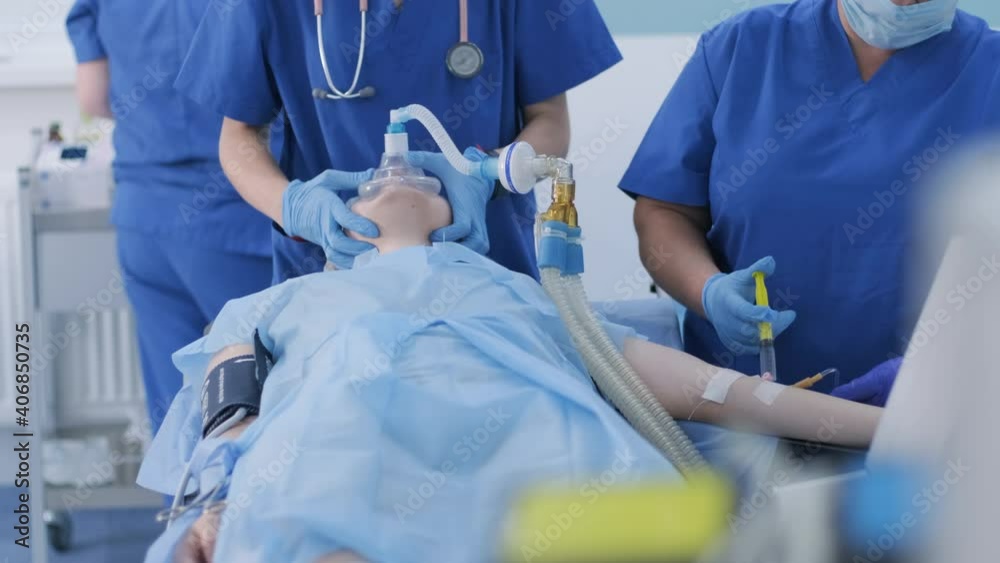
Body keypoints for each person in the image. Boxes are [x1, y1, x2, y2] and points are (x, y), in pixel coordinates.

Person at [138, 163, 883, 562]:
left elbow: (701, 390)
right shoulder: (275, 302)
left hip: (543, 449)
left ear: (462, 216)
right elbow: (230, 425)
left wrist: (885, 424)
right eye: (372, 177)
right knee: (320, 515)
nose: (394, 171)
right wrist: (211, 509)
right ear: (338, 227)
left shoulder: (520, 293)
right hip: (344, 436)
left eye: (418, 174)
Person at [619, 0, 1000, 403]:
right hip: (736, 413)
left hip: (933, 416)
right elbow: (666, 211)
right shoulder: (744, 47)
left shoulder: (989, 72)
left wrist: (945, 365)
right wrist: (708, 291)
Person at [172, 0, 622, 283]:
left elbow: (549, 120)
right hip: (324, 281)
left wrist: (490, 177)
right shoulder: (300, 327)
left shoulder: (511, 317)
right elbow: (239, 138)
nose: (396, 186)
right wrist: (294, 206)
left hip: (489, 272)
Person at [66, 0, 273, 432]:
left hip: (143, 219)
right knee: (262, 408)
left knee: (175, 412)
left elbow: (93, 97)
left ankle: (182, 497)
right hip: (235, 221)